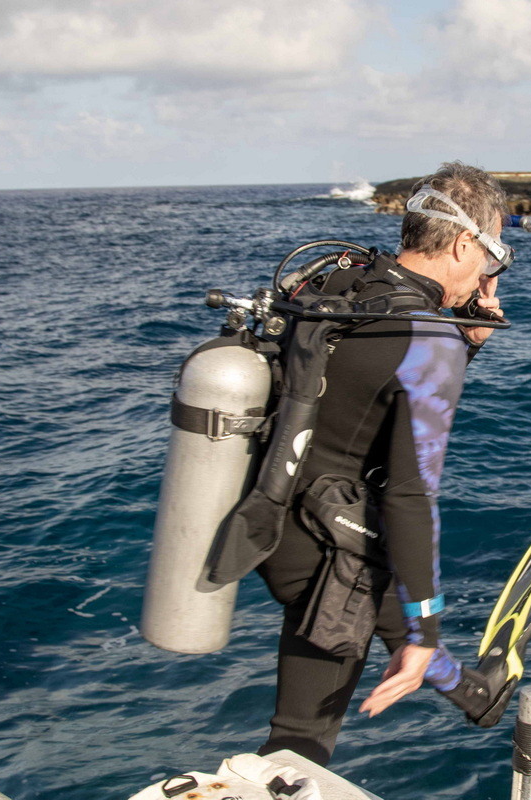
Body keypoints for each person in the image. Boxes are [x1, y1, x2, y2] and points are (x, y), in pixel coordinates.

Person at [216, 162, 513, 764]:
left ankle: (473, 693)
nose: (489, 273)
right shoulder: (430, 340)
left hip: (270, 514)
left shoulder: (342, 283)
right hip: (332, 554)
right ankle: (455, 680)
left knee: (384, 597)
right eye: (494, 256)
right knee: (301, 742)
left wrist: (466, 343)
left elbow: (368, 394)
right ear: (464, 244)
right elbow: (410, 494)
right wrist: (426, 630)